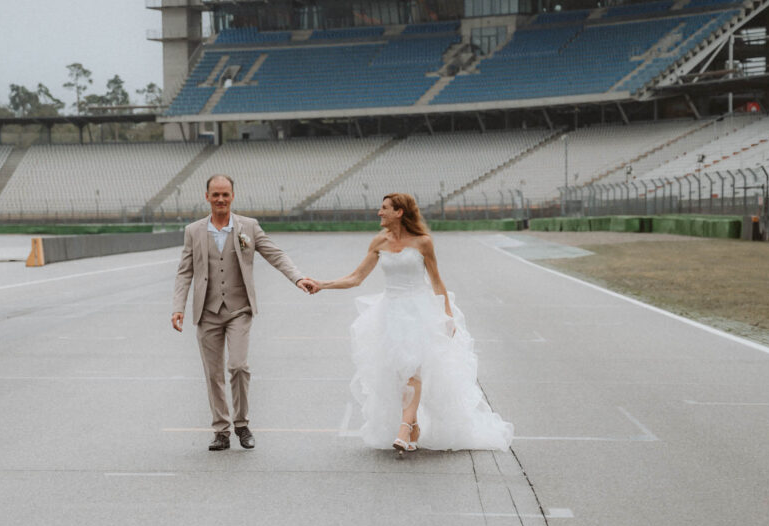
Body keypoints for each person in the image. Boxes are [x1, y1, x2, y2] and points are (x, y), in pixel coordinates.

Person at [312, 193, 513, 455]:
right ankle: (414, 425)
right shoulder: (378, 242)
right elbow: (356, 278)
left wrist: (447, 317)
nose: (378, 213)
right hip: (389, 314)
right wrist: (321, 284)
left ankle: (404, 427)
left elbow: (437, 282)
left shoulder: (423, 243)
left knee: (412, 371)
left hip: (420, 313)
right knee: (397, 374)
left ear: (400, 212)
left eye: (384, 208)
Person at [172, 174, 318, 451]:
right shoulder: (193, 231)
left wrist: (298, 278)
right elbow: (185, 272)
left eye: (225, 194)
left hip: (239, 308)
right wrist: (177, 308)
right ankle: (221, 430)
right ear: (207, 197)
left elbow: (275, 254)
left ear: (232, 196)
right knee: (213, 374)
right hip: (207, 311)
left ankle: (241, 424)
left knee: (238, 366)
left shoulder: (248, 227)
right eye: (215, 194)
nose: (220, 199)